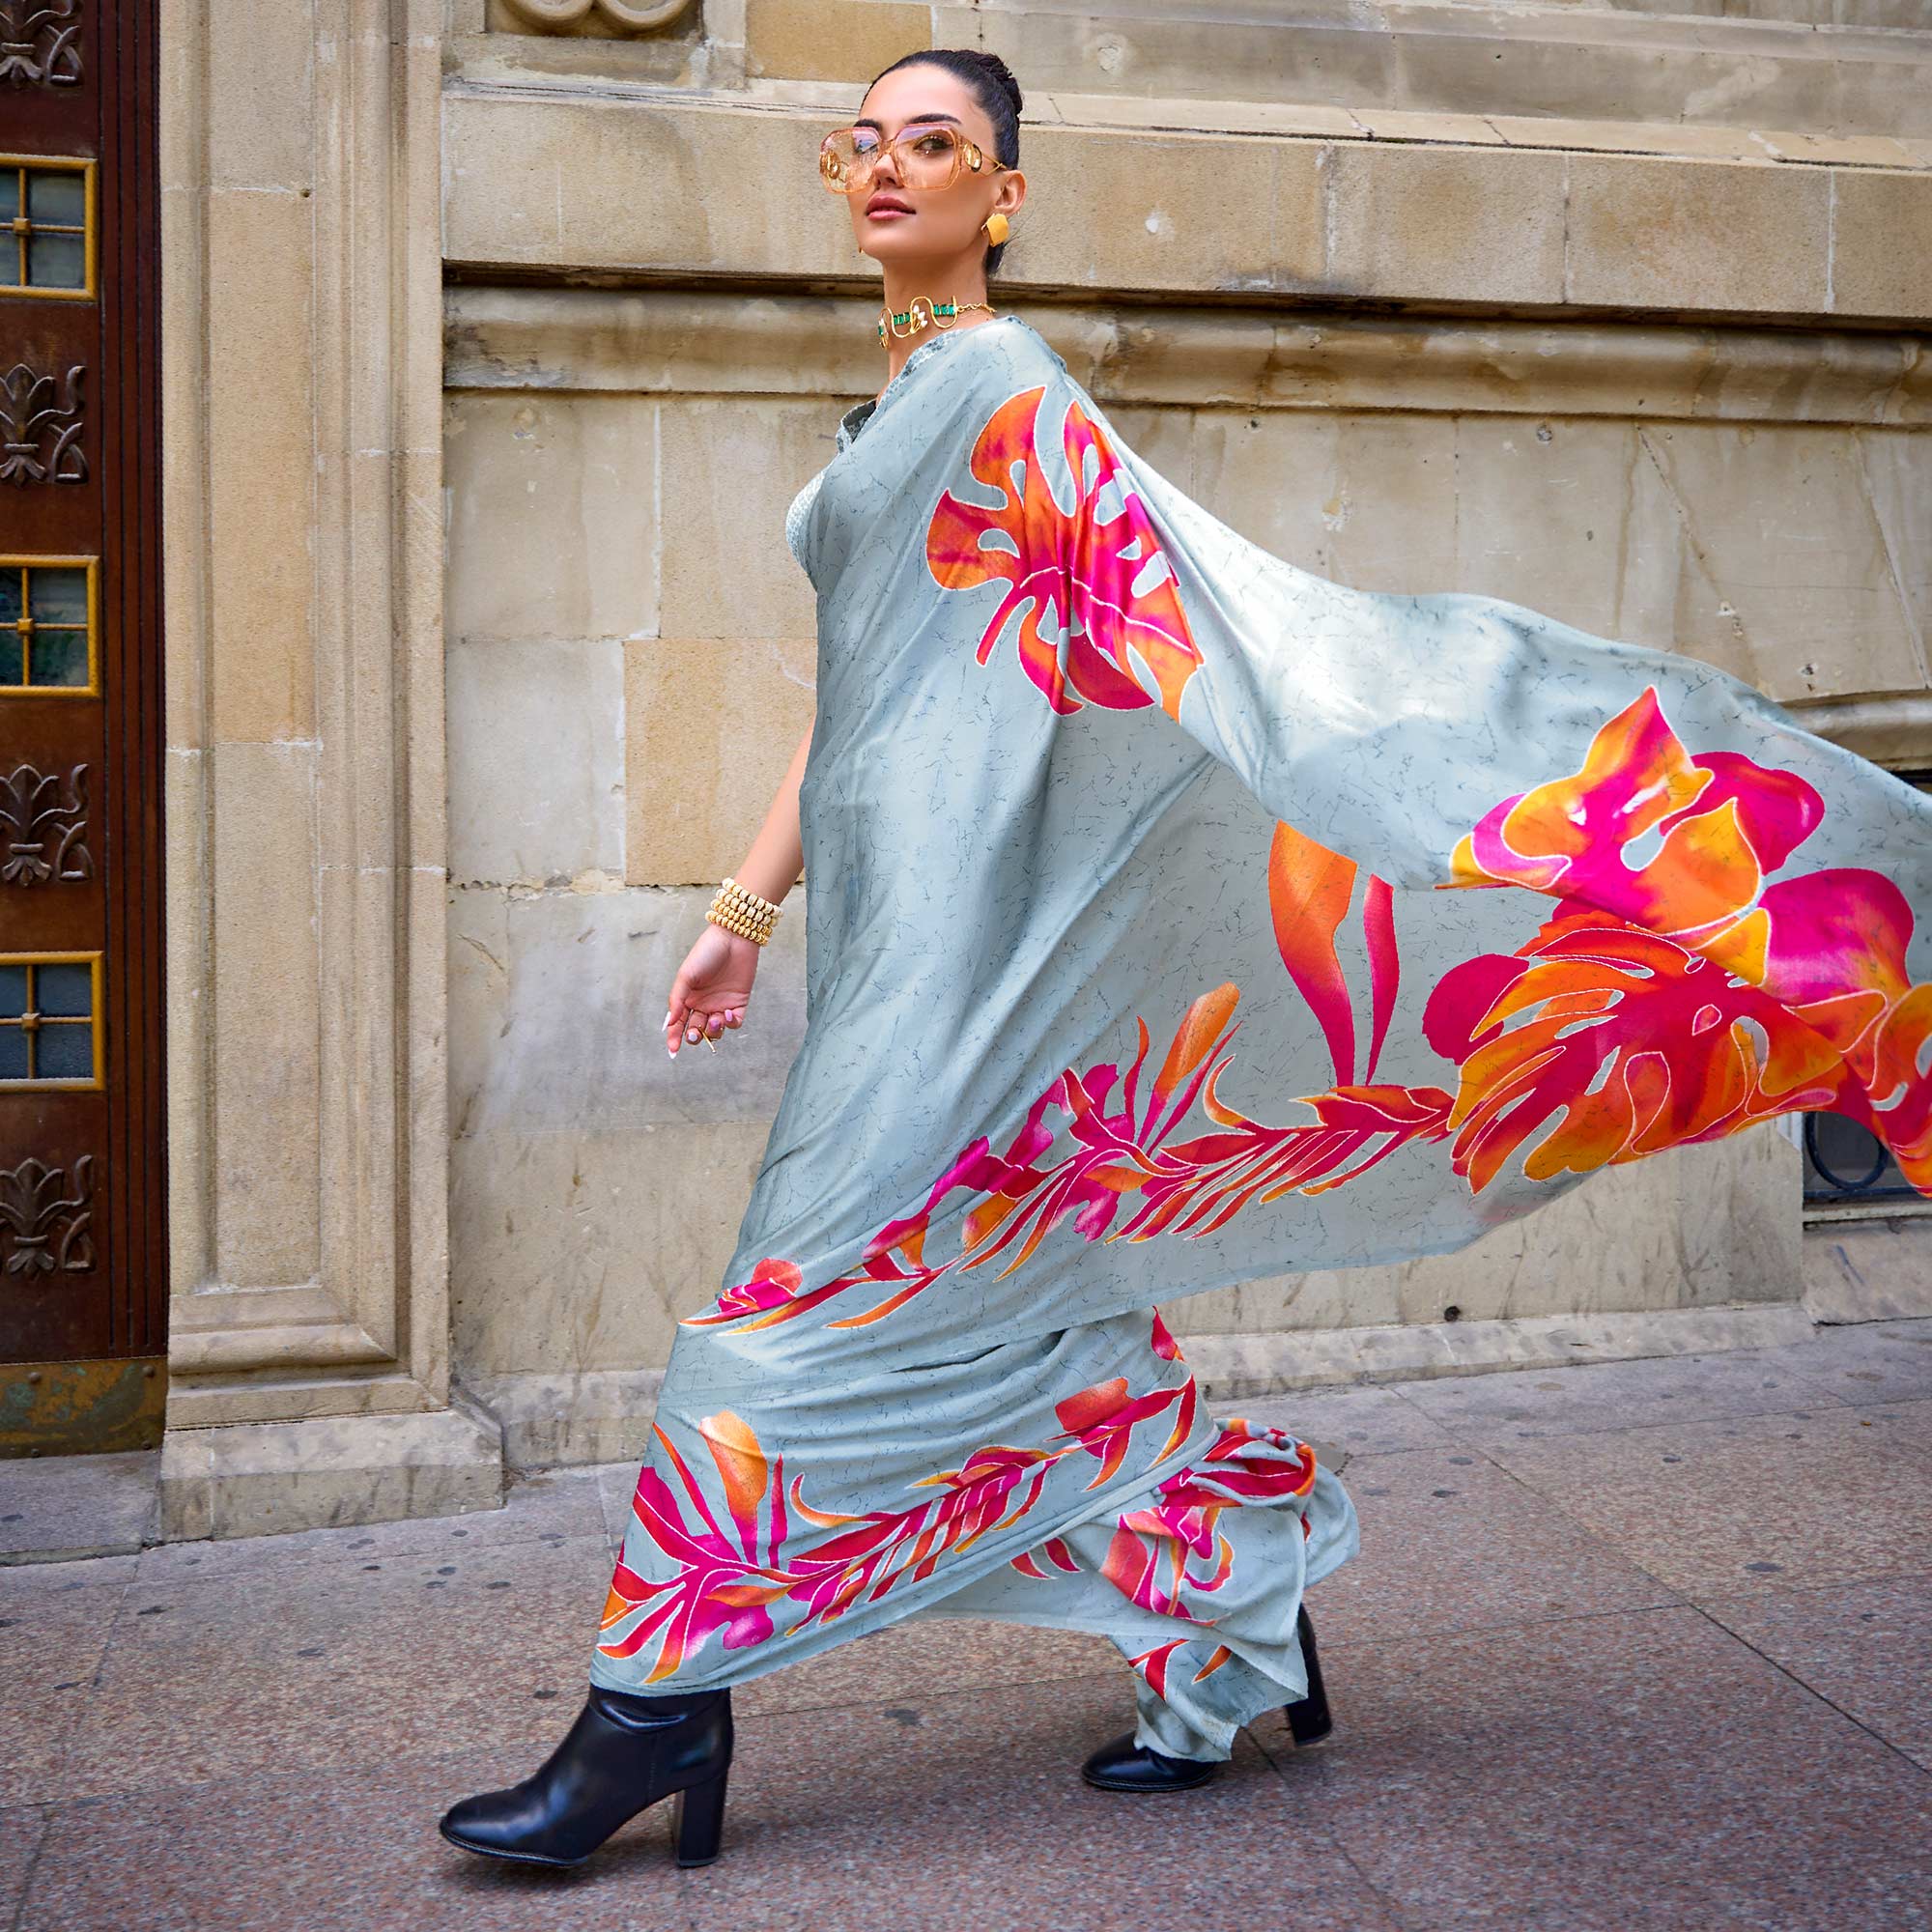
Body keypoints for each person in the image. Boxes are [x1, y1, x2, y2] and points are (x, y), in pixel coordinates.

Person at [439, 48, 1932, 1872]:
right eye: (865, 145)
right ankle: (1232, 1605)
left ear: (1004, 193)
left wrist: (1425, 777)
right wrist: (743, 917)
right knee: (1033, 1301)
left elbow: (1199, 638)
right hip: (898, 930)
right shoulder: (899, 398)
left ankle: (650, 1712)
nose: (890, 170)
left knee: (778, 1323)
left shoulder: (1004, 385)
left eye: (937, 145)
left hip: (984, 949)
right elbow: (860, 705)